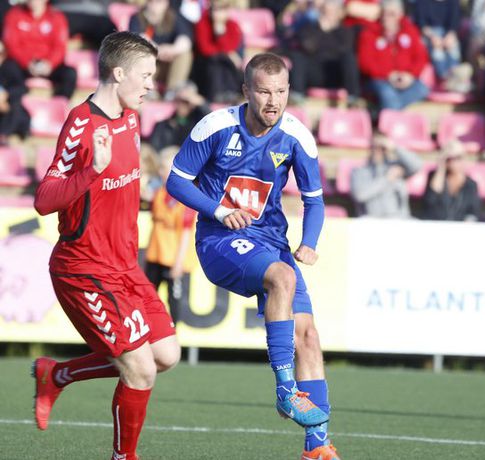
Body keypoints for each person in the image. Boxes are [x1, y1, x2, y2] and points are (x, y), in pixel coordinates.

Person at [166, 52, 340, 460]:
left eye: (280, 92)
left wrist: (309, 241)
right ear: (246, 91)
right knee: (283, 277)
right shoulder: (216, 126)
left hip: (271, 242)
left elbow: (314, 200)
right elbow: (176, 181)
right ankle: (286, 391)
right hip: (220, 239)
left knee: (308, 337)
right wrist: (219, 211)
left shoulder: (297, 136)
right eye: (263, 91)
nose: (273, 101)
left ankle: (317, 446)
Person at [32, 32, 180, 460]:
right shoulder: (81, 124)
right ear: (118, 73)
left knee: (166, 355)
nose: (151, 85)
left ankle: (57, 375)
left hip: (124, 266)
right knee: (141, 369)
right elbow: (44, 200)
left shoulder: (131, 118)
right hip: (84, 269)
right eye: (145, 76)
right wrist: (91, 171)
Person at [145, 148, 198, 323]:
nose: (161, 172)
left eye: (165, 168)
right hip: (155, 255)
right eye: (161, 168)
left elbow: (186, 233)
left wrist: (179, 263)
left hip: (173, 258)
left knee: (173, 300)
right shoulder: (159, 192)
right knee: (147, 296)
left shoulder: (186, 198)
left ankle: (173, 333)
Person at [357, 0, 430, 110]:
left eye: (391, 14)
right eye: (384, 13)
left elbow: (421, 57)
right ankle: (391, 114)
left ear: (400, 14)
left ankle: (384, 111)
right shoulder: (370, 33)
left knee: (422, 89)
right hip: (379, 80)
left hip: (405, 79)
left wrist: (410, 75)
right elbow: (365, 62)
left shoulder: (410, 31)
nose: (386, 18)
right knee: (388, 94)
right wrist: (388, 74)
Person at [288, 0, 361, 107]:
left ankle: (353, 98)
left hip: (336, 74)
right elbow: (308, 46)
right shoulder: (310, 28)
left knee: (349, 57)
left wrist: (330, 31)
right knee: (298, 55)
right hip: (315, 73)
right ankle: (297, 96)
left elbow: (343, 50)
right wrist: (321, 29)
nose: (328, 15)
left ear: (339, 14)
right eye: (326, 12)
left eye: (332, 12)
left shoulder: (345, 31)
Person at [2, 0, 77, 99]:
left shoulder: (57, 17)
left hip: (48, 66)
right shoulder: (14, 15)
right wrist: (27, 63)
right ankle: (17, 101)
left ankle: (60, 103)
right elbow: (11, 45)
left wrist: (50, 64)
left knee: (69, 74)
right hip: (22, 65)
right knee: (8, 69)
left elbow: (60, 47)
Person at [129, 0, 194, 100]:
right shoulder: (137, 17)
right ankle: (147, 88)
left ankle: (173, 91)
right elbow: (139, 38)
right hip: (150, 66)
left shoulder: (173, 17)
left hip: (168, 65)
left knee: (185, 54)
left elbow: (185, 40)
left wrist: (172, 50)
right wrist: (157, 50)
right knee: (140, 52)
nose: (155, 3)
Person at [350, 133, 422, 218]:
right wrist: (386, 179)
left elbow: (417, 165)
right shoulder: (359, 172)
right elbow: (359, 195)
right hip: (372, 220)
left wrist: (395, 148)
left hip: (399, 219)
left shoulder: (397, 166)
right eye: (374, 146)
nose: (378, 150)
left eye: (382, 147)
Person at [193, 0, 245, 104]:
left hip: (225, 64)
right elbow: (205, 49)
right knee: (216, 60)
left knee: (228, 62)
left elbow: (233, 45)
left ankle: (231, 93)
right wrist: (228, 53)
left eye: (221, 10)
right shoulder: (202, 23)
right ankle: (216, 95)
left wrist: (220, 34)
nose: (217, 14)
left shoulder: (232, 25)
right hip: (205, 65)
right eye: (215, 10)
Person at [422, 140, 482, 221]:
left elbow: (473, 212)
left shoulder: (471, 184)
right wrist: (441, 168)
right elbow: (429, 202)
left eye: (459, 157)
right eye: (450, 158)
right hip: (436, 224)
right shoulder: (434, 176)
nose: (454, 161)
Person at [149, 81, 210, 152]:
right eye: (179, 100)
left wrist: (201, 103)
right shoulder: (163, 125)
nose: (182, 105)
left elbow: (212, 122)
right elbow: (153, 148)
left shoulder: (198, 125)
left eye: (186, 102)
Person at [0, 42, 31, 145]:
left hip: (9, 107)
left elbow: (22, 88)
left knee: (16, 104)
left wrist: (6, 95)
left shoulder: (11, 67)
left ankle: (4, 134)